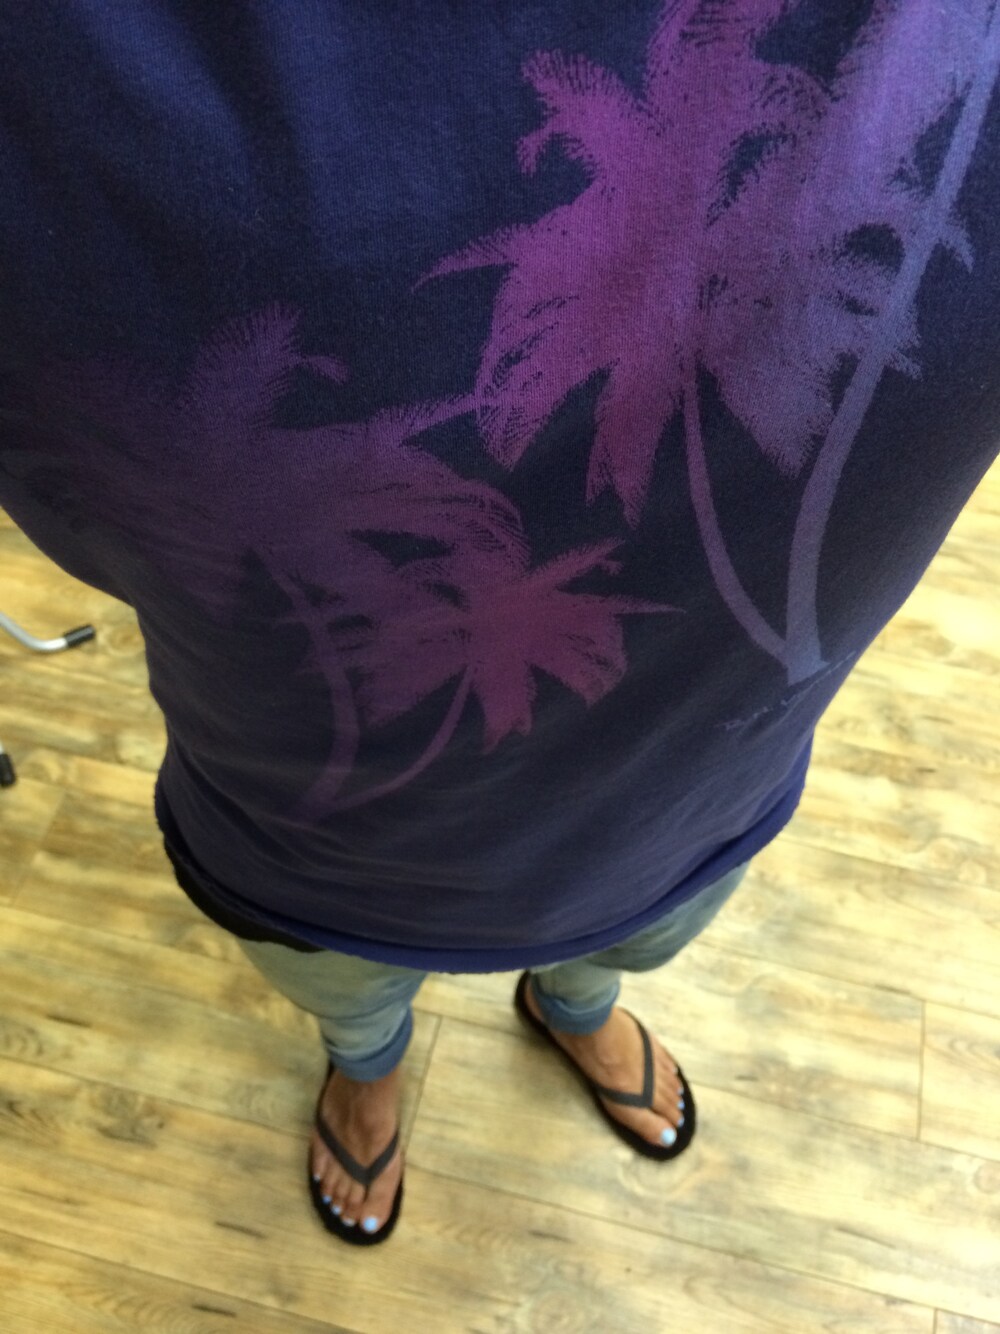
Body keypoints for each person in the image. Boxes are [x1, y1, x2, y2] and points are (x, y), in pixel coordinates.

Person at [2, 1, 999, 1246]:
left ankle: (570, 1007)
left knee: (634, 933)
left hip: (689, 784)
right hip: (319, 823)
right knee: (347, 985)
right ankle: (369, 1063)